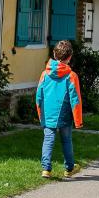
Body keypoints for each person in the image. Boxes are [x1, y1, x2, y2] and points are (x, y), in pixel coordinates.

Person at [35, 40, 83, 179]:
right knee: (66, 140)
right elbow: (76, 100)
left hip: (48, 112)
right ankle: (69, 168)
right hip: (65, 114)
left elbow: (39, 96)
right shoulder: (71, 76)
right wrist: (78, 121)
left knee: (48, 139)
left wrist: (40, 114)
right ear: (70, 57)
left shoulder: (45, 74)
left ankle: (46, 169)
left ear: (54, 54)